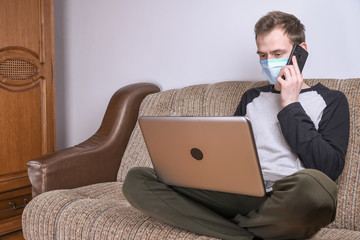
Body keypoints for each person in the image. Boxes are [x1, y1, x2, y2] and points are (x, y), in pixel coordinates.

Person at [122, 11, 350, 240]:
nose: (269, 62)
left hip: (288, 198)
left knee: (316, 187)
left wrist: (290, 104)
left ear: (301, 51)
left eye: (278, 53)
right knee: (137, 179)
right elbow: (230, 155)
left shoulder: (332, 99)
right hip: (242, 195)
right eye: (263, 55)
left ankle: (230, 227)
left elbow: (328, 168)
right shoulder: (252, 97)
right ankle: (250, 234)